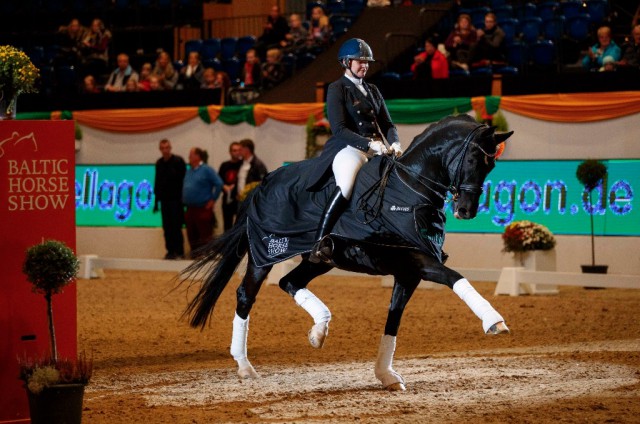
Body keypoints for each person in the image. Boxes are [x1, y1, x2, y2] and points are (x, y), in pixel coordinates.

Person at [308, 38, 401, 263]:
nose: (364, 66)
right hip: (350, 148)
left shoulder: (373, 90)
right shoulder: (337, 88)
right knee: (347, 184)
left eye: (367, 62)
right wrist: (369, 145)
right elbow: (338, 129)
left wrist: (394, 142)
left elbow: (388, 124)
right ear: (346, 62)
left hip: (378, 148)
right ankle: (320, 242)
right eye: (360, 61)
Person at [182, 147, 223, 257]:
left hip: (203, 208)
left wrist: (213, 199)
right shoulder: (189, 171)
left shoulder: (206, 169)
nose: (189, 157)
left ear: (198, 156)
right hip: (190, 209)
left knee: (205, 235)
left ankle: (207, 256)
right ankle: (195, 256)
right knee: (191, 234)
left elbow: (219, 183)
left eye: (191, 155)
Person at [154, 139, 187, 260]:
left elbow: (184, 181)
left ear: (170, 148)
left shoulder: (178, 161)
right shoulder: (159, 163)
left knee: (176, 227)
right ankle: (170, 251)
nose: (165, 150)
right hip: (164, 200)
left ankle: (179, 251)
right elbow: (157, 182)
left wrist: (183, 200)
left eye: (167, 147)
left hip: (176, 200)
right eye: (162, 148)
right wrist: (156, 202)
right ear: (160, 149)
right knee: (167, 228)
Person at [218, 141, 243, 231]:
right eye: (234, 150)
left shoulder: (243, 165)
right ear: (230, 152)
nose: (236, 152)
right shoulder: (224, 165)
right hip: (227, 200)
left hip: (239, 200)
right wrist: (224, 186)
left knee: (240, 226)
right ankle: (228, 245)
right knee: (227, 226)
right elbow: (219, 181)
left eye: (238, 150)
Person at [234, 139, 268, 204]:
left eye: (240, 149)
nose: (238, 152)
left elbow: (263, 183)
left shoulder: (258, 165)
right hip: (240, 199)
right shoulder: (240, 163)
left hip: (251, 201)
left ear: (247, 149)